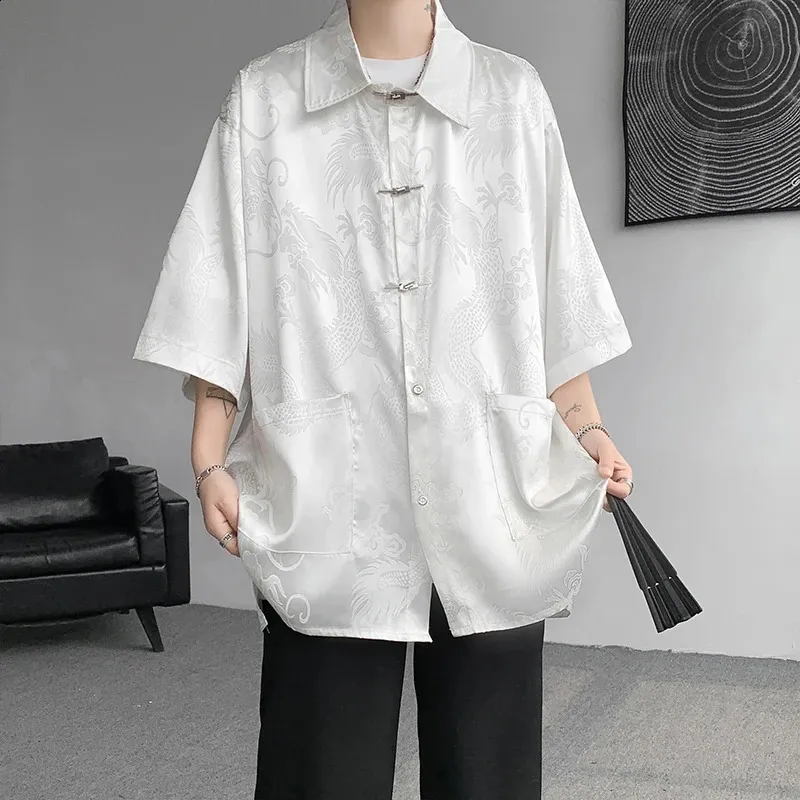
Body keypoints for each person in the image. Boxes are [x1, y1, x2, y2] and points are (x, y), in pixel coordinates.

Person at [132, 0, 635, 797]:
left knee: (490, 772)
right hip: (328, 494)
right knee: (321, 767)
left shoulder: (511, 94)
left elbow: (554, 288)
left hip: (489, 485)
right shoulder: (266, 97)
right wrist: (208, 454)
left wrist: (588, 427)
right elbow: (217, 282)